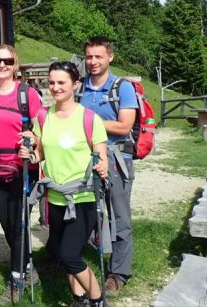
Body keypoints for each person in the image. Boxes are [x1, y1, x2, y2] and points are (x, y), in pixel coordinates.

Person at [26, 61, 109, 307]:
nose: (55, 87)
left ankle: (98, 300)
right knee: (65, 252)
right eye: (51, 82)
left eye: (61, 82)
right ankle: (79, 298)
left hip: (82, 198)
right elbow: (40, 154)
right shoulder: (43, 116)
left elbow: (101, 156)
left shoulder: (89, 119)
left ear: (76, 84)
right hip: (55, 198)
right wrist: (29, 156)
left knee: (69, 254)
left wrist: (102, 166)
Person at [0, 44, 43, 304]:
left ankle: (16, 280)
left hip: (22, 167)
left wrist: (34, 139)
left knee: (18, 225)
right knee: (7, 224)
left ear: (15, 64)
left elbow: (44, 128)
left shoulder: (27, 94)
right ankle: (28, 267)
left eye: (7, 61)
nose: (2, 65)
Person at [79, 36, 138, 297]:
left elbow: (124, 126)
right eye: (89, 57)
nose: (93, 62)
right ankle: (74, 259)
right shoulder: (79, 87)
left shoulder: (122, 87)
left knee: (119, 216)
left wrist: (88, 123)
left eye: (98, 56)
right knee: (83, 210)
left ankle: (118, 273)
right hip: (85, 157)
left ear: (110, 57)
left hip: (116, 158)